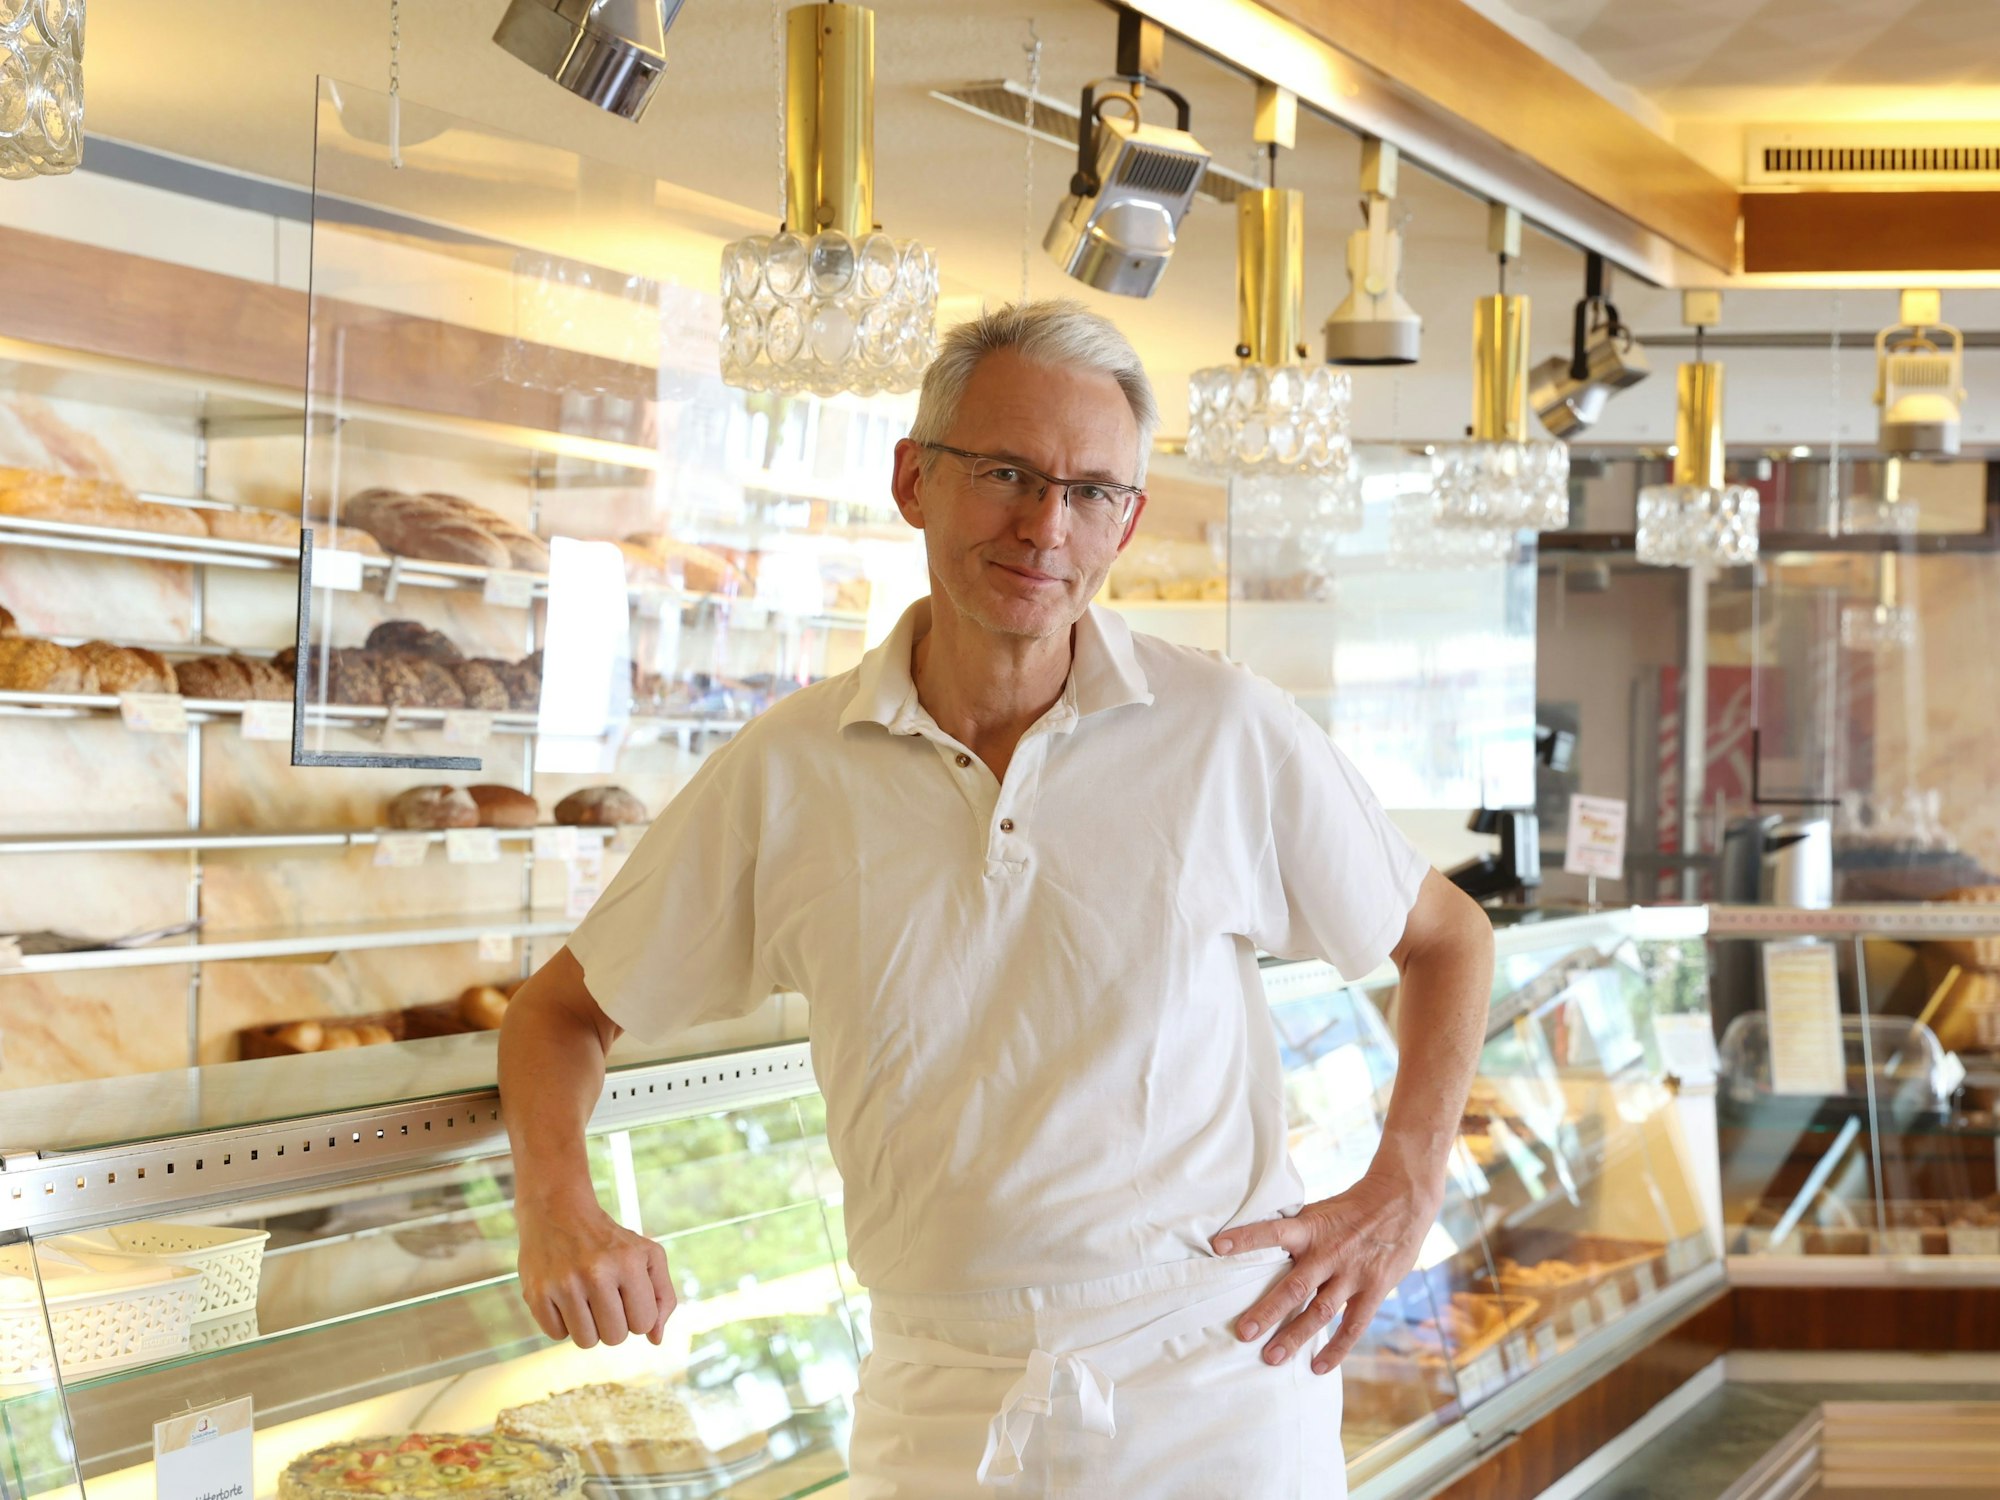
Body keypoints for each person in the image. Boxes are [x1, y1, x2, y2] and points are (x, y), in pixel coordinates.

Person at [498, 299, 1495, 1498]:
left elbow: (1445, 937)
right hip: (934, 1392)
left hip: (1216, 1381)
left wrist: (1405, 1185)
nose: (1044, 526)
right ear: (914, 479)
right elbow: (558, 1016)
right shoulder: (789, 766)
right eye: (1007, 473)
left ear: (1125, 522)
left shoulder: (1225, 729)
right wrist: (557, 1206)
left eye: (1089, 493)